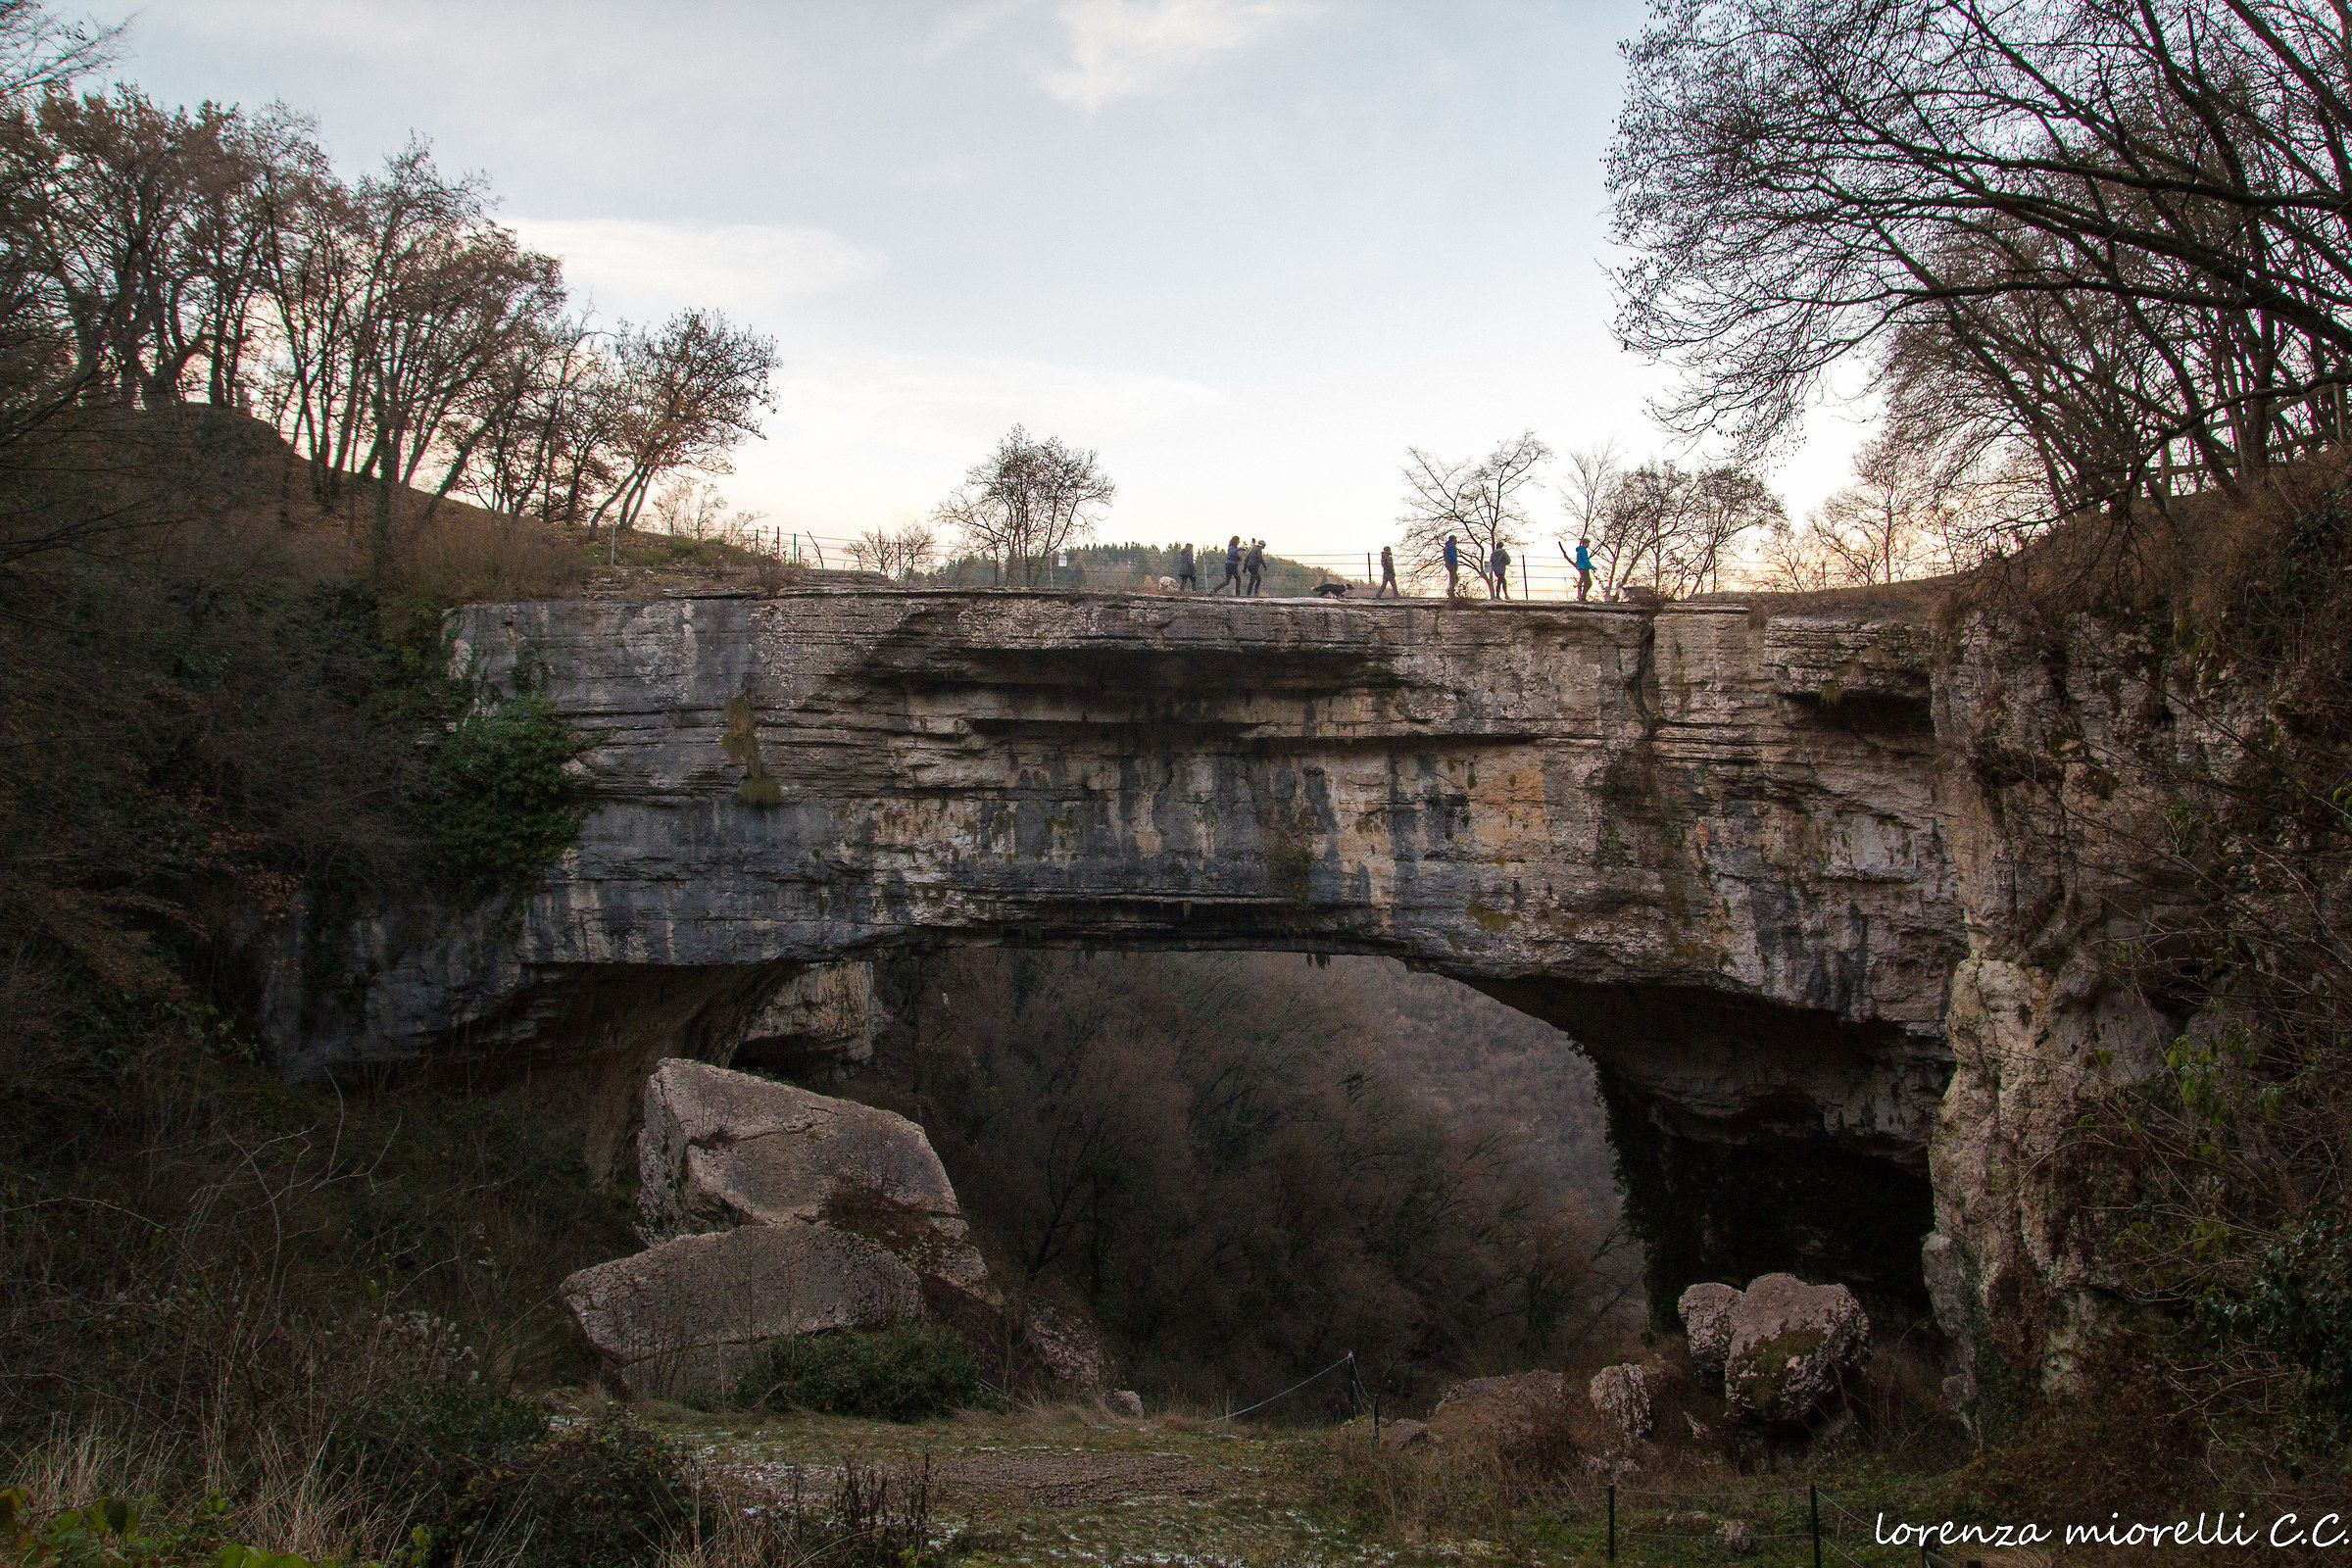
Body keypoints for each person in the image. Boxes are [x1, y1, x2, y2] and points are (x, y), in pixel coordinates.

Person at [1574, 536, 1593, 602]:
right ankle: (1583, 597)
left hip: (1581, 568)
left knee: (1584, 582)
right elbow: (1585, 560)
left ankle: (1581, 596)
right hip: (1584, 568)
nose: (1588, 545)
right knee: (1589, 583)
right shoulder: (1583, 550)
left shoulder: (1579, 550)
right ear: (1584, 543)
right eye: (1587, 543)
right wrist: (1591, 567)